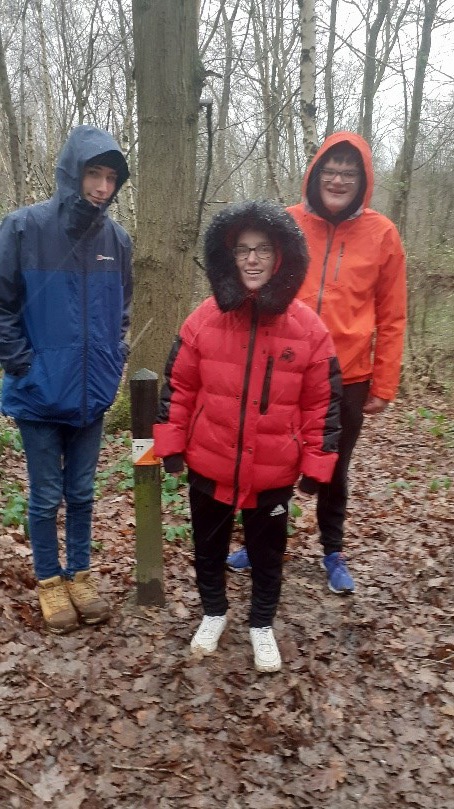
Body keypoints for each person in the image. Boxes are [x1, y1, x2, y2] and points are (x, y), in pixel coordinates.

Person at [153, 200, 341, 673]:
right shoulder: (202, 319)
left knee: (267, 555)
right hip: (210, 462)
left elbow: (323, 404)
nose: (252, 259)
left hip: (273, 470)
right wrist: (171, 444)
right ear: (228, 256)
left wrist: (317, 465)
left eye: (262, 249)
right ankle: (213, 612)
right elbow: (179, 385)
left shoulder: (310, 330)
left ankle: (261, 624)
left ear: (281, 257)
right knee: (208, 547)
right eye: (242, 250)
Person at [227, 132, 406, 595]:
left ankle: (332, 549)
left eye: (349, 172)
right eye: (331, 169)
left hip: (349, 377)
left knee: (333, 466)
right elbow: (255, 283)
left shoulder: (383, 233)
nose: (338, 179)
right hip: (284, 369)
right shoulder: (286, 224)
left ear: (363, 180)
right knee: (273, 462)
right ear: (315, 173)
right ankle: (263, 543)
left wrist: (384, 383)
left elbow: (392, 315)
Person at [0, 125, 133, 634]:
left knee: (81, 494)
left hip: (90, 397)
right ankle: (50, 582)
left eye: (111, 177)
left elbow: (121, 312)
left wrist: (111, 362)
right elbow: (2, 307)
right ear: (71, 173)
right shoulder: (22, 228)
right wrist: (22, 365)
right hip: (37, 395)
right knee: (43, 496)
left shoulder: (116, 240)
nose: (102, 186)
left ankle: (80, 574)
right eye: (94, 174)